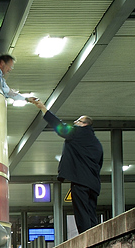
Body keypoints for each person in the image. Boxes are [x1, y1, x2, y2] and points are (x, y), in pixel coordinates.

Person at [27, 97, 103, 234]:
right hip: (94, 184)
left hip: (80, 181)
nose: (75, 122)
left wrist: (43, 108)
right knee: (91, 212)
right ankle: (95, 236)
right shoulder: (97, 144)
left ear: (85, 124)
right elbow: (100, 163)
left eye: (78, 121)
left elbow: (60, 127)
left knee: (81, 211)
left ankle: (86, 238)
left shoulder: (78, 133)